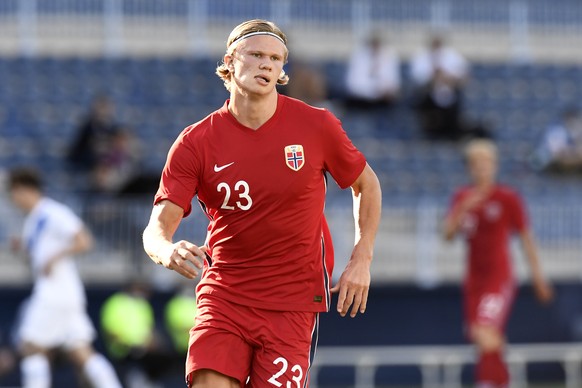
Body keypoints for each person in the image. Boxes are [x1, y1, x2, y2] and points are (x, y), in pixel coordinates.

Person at [142, 19, 382, 388]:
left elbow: (366, 184)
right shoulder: (196, 142)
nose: (267, 64)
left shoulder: (316, 125)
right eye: (255, 55)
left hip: (294, 300)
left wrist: (361, 258)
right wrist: (166, 251)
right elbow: (157, 228)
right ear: (230, 60)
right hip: (225, 295)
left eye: (276, 58)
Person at [442, 139, 553, 387]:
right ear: (469, 168)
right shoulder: (462, 197)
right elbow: (447, 235)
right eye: (476, 164)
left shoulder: (507, 198)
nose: (481, 168)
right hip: (474, 279)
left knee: (484, 331)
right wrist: (461, 210)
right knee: (483, 336)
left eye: (486, 163)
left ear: (494, 166)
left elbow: (526, 240)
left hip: (498, 276)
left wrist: (538, 278)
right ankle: (501, 381)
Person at [6, 167, 122, 388]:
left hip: (54, 293)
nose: (13, 200)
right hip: (67, 293)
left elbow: (84, 240)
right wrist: (22, 248)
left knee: (30, 345)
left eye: (13, 193)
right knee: (81, 352)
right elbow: (39, 255)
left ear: (23, 190)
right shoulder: (33, 221)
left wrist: (55, 256)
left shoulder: (52, 211)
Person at [410, 34, 469, 141]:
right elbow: (418, 79)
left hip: (450, 94)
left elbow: (463, 77)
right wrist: (434, 78)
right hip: (429, 95)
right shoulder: (421, 56)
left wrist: (446, 78)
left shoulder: (453, 56)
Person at [344, 30, 401, 110]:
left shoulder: (389, 56)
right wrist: (374, 90)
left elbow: (393, 83)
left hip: (383, 101)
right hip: (362, 100)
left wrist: (383, 90)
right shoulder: (359, 57)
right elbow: (353, 85)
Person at [532, 107, 582, 174]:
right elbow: (555, 153)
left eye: (574, 120)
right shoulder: (556, 132)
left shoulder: (578, 131)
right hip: (556, 166)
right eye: (570, 120)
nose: (572, 123)